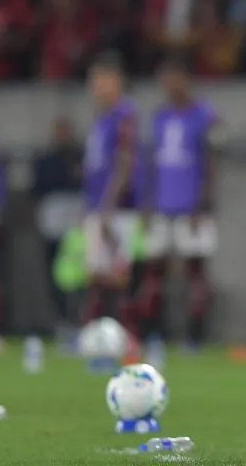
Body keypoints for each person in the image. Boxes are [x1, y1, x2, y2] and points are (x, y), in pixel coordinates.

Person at [141, 55, 220, 349]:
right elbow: (152, 163)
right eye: (164, 80)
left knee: (195, 272)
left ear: (186, 80)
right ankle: (155, 333)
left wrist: (203, 204)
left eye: (173, 78)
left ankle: (195, 336)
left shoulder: (205, 115)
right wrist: (147, 204)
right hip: (162, 203)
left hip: (192, 206)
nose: (168, 85)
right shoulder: (159, 117)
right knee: (154, 273)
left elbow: (211, 162)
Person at [81, 53, 140, 333]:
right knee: (96, 273)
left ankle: (124, 333)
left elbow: (125, 162)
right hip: (96, 205)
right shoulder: (100, 118)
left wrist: (108, 206)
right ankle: (97, 334)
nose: (94, 87)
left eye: (99, 81)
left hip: (116, 208)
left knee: (117, 274)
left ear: (114, 82)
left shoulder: (123, 115)